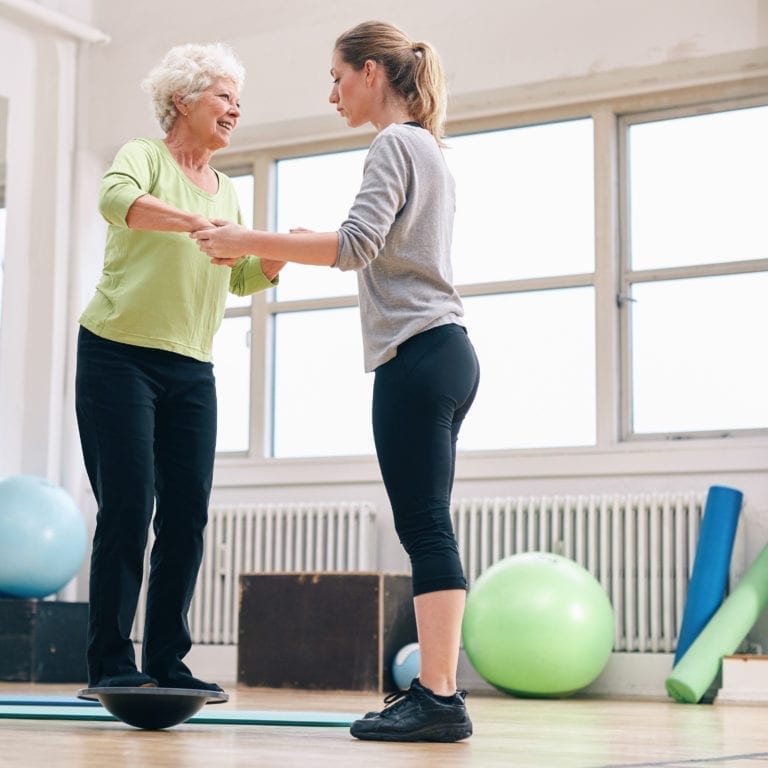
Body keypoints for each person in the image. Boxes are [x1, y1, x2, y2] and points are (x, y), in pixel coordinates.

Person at [192, 21, 479, 740]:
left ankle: (440, 698)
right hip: (445, 351)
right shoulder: (430, 149)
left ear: (374, 71)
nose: (332, 93)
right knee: (428, 524)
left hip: (417, 354)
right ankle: (440, 695)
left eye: (338, 77)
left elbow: (355, 246)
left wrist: (247, 239)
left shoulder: (394, 142)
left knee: (423, 527)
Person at [75, 42, 282, 693]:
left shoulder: (230, 190)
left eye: (237, 100)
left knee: (186, 514)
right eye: (224, 96)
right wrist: (197, 222)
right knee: (129, 508)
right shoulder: (145, 156)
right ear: (183, 100)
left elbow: (241, 275)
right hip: (117, 356)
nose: (235, 109)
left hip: (192, 369)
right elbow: (117, 202)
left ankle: (168, 660)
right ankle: (111, 662)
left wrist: (273, 256)